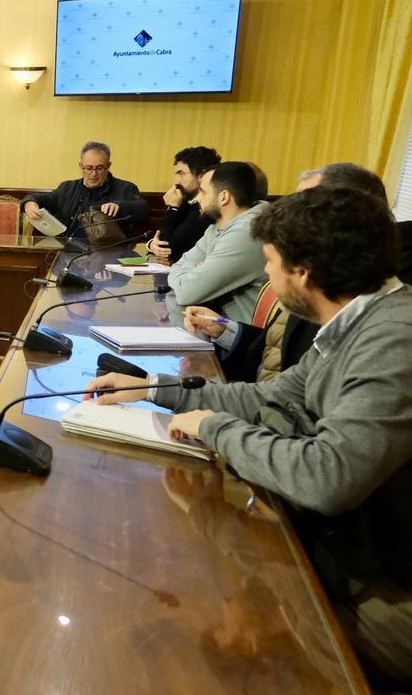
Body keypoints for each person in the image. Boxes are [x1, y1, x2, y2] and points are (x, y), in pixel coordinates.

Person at [84, 188, 412, 690]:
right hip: (357, 545)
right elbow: (272, 397)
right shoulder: (360, 320)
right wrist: (153, 388)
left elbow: (329, 477)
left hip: (389, 585)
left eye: (272, 263)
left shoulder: (393, 337)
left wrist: (214, 429)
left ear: (304, 272)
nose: (266, 275)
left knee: (283, 635)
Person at [187, 162, 412, 382]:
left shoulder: (378, 318)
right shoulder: (320, 279)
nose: (289, 215)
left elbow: (294, 398)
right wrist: (227, 331)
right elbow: (279, 354)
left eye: (304, 206)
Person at [166, 161, 268, 324]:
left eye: (203, 192)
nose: (197, 199)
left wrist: (194, 273)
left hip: (246, 336)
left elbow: (186, 292)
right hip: (217, 328)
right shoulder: (217, 224)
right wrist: (194, 271)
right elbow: (179, 264)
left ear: (224, 197)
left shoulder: (247, 232)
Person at [21, 141, 148, 241]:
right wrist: (29, 203)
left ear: (108, 166)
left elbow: (142, 208)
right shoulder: (67, 188)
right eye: (88, 168)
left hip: (108, 253)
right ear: (81, 166)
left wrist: (120, 206)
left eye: (99, 168)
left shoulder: (125, 188)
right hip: (69, 252)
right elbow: (40, 198)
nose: (93, 174)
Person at [146, 146, 221, 264]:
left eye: (181, 173)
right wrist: (151, 245)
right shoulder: (186, 200)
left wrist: (172, 208)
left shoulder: (207, 208)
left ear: (202, 175)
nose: (175, 181)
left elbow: (169, 248)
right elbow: (160, 237)